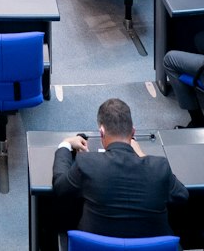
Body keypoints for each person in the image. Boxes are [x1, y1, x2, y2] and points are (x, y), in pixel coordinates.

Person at [53, 99, 188, 240]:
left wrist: (66, 144)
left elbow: (60, 187)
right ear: (133, 132)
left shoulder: (86, 163)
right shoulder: (159, 167)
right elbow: (182, 195)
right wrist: (142, 155)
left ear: (102, 132)